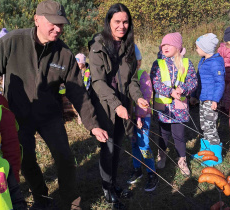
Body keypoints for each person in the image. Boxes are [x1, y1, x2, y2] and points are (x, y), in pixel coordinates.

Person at [0, 0, 108, 209]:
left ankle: (72, 202)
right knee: (26, 159)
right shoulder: (12, 42)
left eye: (61, 24)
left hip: (50, 116)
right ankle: (41, 196)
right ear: (36, 20)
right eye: (53, 23)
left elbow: (78, 91)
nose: (58, 28)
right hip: (17, 116)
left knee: (65, 158)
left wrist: (92, 124)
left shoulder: (64, 53)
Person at [88, 3, 149, 209]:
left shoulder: (129, 46)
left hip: (124, 104)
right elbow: (97, 82)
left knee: (118, 147)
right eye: (117, 22)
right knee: (108, 148)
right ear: (109, 22)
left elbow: (131, 80)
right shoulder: (97, 46)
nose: (122, 26)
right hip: (105, 106)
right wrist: (115, 105)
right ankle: (107, 189)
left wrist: (138, 97)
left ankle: (113, 184)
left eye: (125, 22)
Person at [150, 32, 197, 175]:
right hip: (163, 107)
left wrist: (184, 89)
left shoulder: (186, 63)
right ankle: (162, 155)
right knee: (163, 133)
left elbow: (193, 81)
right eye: (163, 44)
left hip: (179, 108)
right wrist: (169, 91)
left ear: (177, 47)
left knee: (179, 135)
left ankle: (182, 160)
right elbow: (155, 82)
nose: (165, 47)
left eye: (169, 44)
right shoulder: (157, 63)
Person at [127, 44, 158, 192]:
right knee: (134, 144)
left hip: (142, 118)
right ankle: (137, 168)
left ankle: (152, 173)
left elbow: (145, 99)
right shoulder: (125, 77)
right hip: (130, 118)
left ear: (138, 62)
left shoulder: (142, 75)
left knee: (144, 145)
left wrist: (139, 116)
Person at [192, 33, 225, 166]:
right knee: (204, 126)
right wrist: (194, 95)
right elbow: (198, 81)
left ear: (205, 48)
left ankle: (216, 155)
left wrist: (215, 100)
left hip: (211, 101)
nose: (196, 49)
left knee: (211, 127)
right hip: (202, 99)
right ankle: (206, 150)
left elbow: (220, 83)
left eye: (198, 47)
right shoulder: (203, 60)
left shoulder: (216, 63)